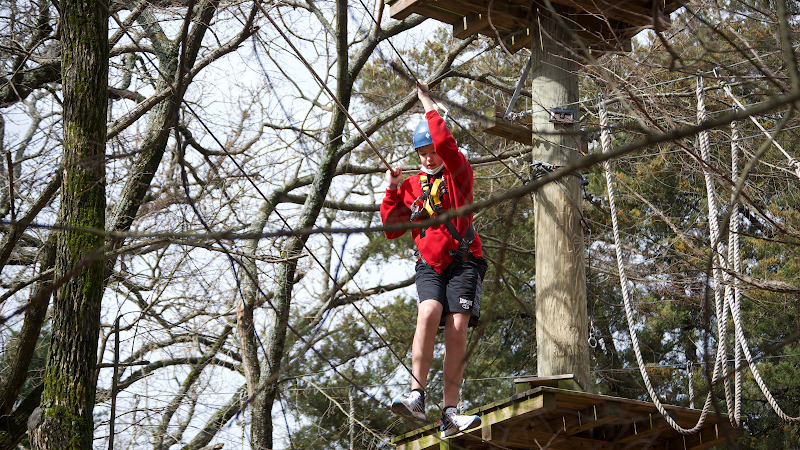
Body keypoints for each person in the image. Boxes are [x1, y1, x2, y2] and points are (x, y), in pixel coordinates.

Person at [380, 80, 488, 438]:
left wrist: (426, 101)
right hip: (429, 264)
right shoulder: (411, 185)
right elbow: (393, 228)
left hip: (464, 260)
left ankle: (450, 412)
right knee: (428, 312)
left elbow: (445, 141)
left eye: (433, 150)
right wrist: (393, 189)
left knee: (456, 329)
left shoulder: (459, 175)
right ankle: (416, 395)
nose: (429, 156)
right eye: (422, 152)